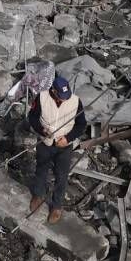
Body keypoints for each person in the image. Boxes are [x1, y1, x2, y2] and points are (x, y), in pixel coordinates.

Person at [26, 74, 88, 225]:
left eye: (66, 96)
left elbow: (81, 125)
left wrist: (68, 138)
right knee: (41, 170)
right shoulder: (42, 98)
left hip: (64, 146)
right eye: (61, 97)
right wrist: (42, 130)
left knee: (61, 176)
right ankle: (38, 195)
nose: (64, 100)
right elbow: (32, 117)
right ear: (53, 91)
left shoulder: (76, 101)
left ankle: (56, 206)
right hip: (45, 143)